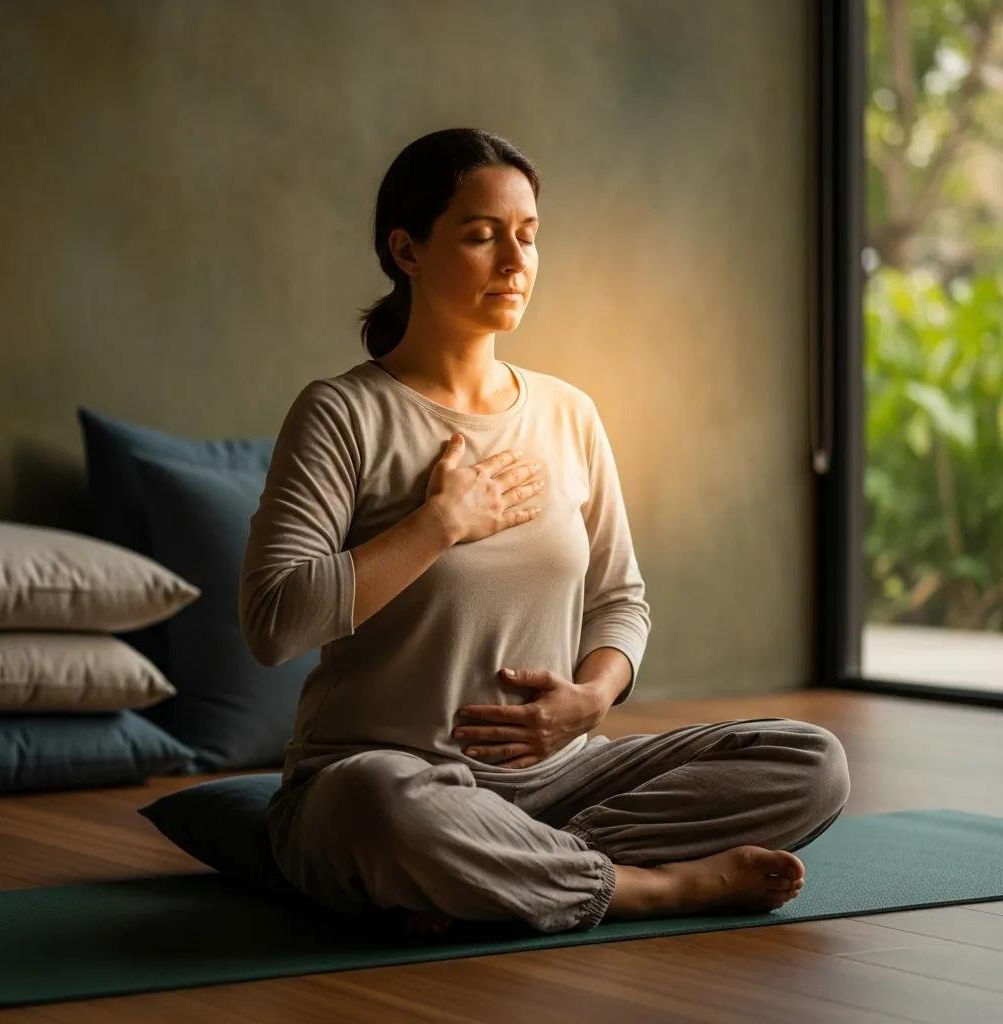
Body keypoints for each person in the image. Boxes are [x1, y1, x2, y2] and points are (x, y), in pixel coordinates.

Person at [239, 128, 851, 939]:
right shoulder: (342, 413)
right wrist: (442, 522)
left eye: (527, 237)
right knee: (371, 806)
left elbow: (620, 601)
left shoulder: (568, 412)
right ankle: (646, 889)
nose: (515, 260)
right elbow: (275, 623)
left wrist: (591, 700)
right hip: (391, 778)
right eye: (481, 234)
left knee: (812, 763)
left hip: (563, 778)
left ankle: (497, 872)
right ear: (407, 249)